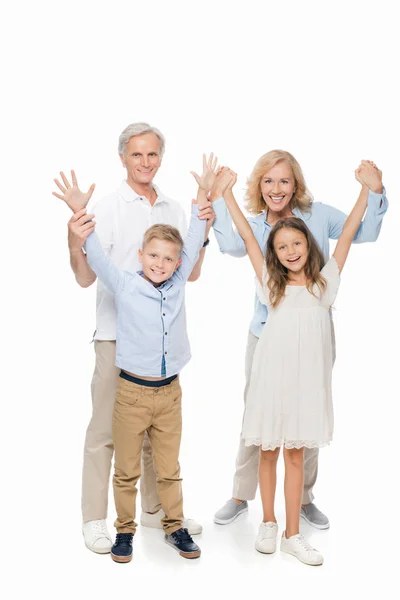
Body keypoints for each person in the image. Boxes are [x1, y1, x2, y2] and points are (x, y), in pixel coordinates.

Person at [213, 161, 383, 565]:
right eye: (282, 246)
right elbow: (249, 242)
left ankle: (293, 533)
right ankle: (268, 523)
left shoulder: (326, 282)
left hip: (307, 382)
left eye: (297, 245)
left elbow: (348, 236)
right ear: (275, 253)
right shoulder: (270, 285)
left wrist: (367, 190)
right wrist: (226, 195)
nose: (290, 251)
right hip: (271, 378)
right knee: (268, 451)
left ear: (309, 246)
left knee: (295, 454)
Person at [53, 123, 213, 553]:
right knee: (106, 431)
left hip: (157, 345)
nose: (146, 162)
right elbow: (87, 277)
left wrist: (205, 223)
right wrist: (75, 241)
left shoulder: (175, 209)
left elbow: (189, 272)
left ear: (161, 157)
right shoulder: (105, 207)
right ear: (122, 157)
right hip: (114, 338)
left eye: (153, 154)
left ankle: (155, 511)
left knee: (154, 432)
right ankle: (95, 519)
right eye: (137, 155)